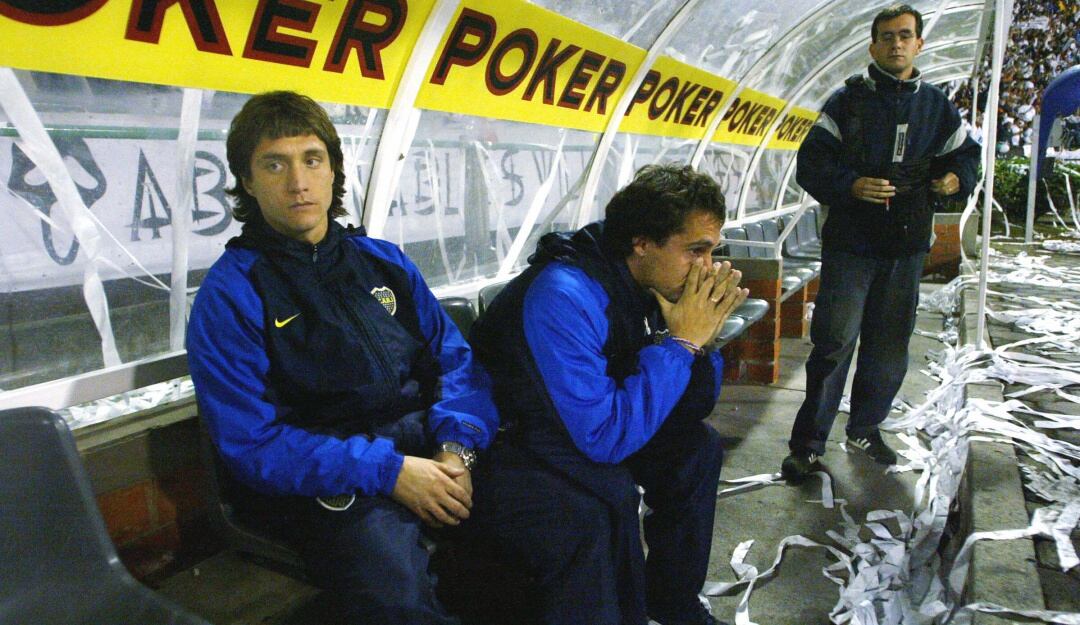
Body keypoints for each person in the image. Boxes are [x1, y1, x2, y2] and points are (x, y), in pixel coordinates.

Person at [186, 91, 498, 624]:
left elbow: (455, 363)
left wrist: (455, 450)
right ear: (246, 180)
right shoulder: (232, 294)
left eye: (312, 159)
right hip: (325, 479)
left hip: (429, 449)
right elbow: (251, 443)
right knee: (395, 596)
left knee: (558, 510)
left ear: (334, 170)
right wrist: (388, 471)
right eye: (274, 164)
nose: (297, 182)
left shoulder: (383, 261)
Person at [466, 164, 748, 625]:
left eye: (712, 251)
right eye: (695, 251)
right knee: (605, 497)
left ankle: (673, 603)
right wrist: (680, 345)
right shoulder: (565, 294)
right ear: (641, 243)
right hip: (510, 442)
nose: (707, 268)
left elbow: (691, 407)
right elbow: (602, 436)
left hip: (583, 424)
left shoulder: (653, 284)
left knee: (697, 449)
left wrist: (702, 341)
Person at [781, 4, 980, 480]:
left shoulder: (935, 105)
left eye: (905, 36)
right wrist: (851, 185)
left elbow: (967, 155)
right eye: (887, 36)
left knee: (889, 346)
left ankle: (867, 427)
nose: (896, 44)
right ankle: (808, 443)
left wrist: (956, 178)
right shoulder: (845, 103)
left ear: (918, 44)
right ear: (872, 46)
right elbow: (810, 165)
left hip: (906, 247)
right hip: (851, 246)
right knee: (833, 343)